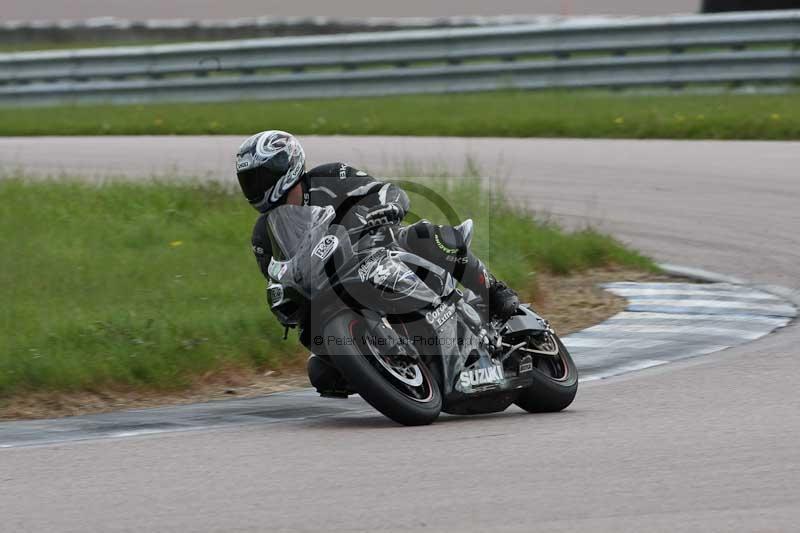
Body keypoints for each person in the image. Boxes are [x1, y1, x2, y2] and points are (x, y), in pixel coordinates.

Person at [236, 130, 519, 394]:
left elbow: (383, 191)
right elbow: (280, 278)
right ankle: (384, 370)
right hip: (331, 289)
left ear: (288, 166)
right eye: (249, 180)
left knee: (420, 235)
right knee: (320, 372)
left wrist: (389, 205)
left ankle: (493, 291)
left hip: (378, 249)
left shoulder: (331, 176)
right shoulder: (263, 235)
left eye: (261, 177)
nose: (255, 187)